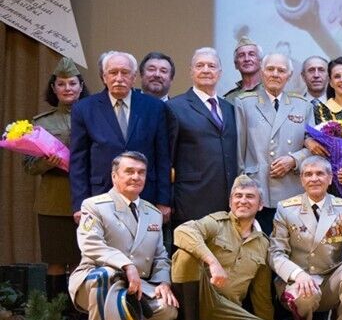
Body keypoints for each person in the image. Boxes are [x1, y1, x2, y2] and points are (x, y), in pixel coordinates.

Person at [69, 151, 178, 320]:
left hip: (135, 288)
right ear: (114, 176)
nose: (136, 177)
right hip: (95, 280)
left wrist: (163, 282)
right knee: (106, 274)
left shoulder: (153, 213)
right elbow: (90, 242)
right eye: (129, 171)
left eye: (141, 172)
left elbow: (161, 256)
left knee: (168, 308)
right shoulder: (94, 205)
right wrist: (126, 265)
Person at [171, 175, 276, 320]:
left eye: (250, 196)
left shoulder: (263, 244)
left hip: (226, 312)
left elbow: (261, 295)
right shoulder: (216, 223)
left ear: (260, 205)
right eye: (238, 196)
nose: (243, 201)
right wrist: (212, 262)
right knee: (184, 255)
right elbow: (183, 231)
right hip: (196, 299)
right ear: (230, 202)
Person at [270, 156, 342, 320]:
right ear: (301, 180)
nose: (314, 178)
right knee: (305, 293)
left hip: (330, 282)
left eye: (320, 173)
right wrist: (298, 275)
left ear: (330, 178)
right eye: (308, 174)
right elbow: (275, 253)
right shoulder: (286, 209)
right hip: (298, 283)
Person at [70, 50, 171, 222]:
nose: (118, 78)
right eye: (113, 72)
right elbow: (79, 160)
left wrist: (163, 200)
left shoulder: (154, 108)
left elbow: (163, 157)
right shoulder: (84, 108)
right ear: (104, 77)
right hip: (100, 195)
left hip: (145, 196)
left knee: (143, 248)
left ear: (134, 77)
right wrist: (80, 203)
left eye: (124, 73)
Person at [23, 58, 88, 300]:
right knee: (56, 262)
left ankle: (81, 318)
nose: (68, 88)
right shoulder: (41, 122)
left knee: (83, 262)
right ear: (54, 88)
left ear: (81, 86)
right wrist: (46, 162)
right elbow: (28, 167)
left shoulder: (94, 115)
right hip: (54, 201)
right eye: (61, 84)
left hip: (88, 201)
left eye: (72, 83)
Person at [234, 52, 313, 235]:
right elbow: (239, 150)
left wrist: (294, 160)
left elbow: (313, 149)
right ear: (262, 72)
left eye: (281, 70)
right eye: (270, 69)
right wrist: (240, 188)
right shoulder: (245, 103)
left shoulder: (303, 105)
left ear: (289, 75)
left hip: (291, 189)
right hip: (258, 187)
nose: (275, 74)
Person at [167, 48, 238, 230]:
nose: (206, 70)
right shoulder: (174, 107)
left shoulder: (229, 108)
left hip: (227, 203)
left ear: (220, 73)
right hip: (190, 202)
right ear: (191, 71)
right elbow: (165, 159)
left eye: (211, 66)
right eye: (200, 65)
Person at [224, 36, 263, 102]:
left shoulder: (272, 90)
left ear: (261, 62)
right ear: (236, 64)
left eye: (251, 54)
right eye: (241, 55)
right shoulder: (230, 99)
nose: (247, 59)